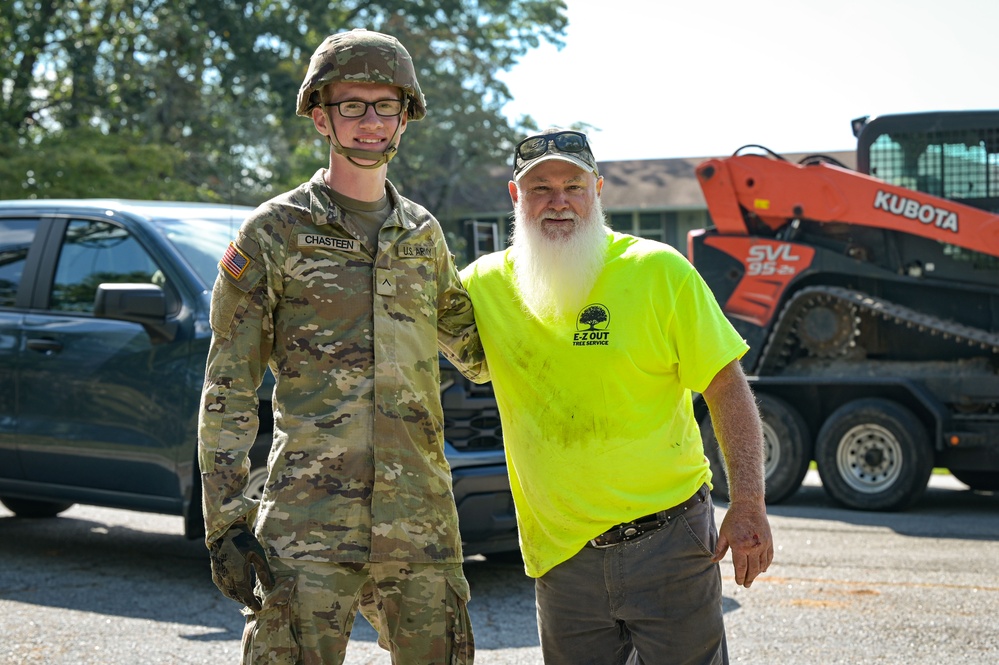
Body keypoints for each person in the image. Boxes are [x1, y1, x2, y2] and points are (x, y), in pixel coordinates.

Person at [198, 28, 485, 665]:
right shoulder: (274, 232)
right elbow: (228, 388)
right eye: (351, 106)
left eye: (386, 106)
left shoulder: (423, 236)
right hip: (308, 523)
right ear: (321, 115)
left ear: (405, 118)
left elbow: (482, 353)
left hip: (420, 522)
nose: (369, 123)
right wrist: (226, 522)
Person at [458, 128, 774, 664]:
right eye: (540, 188)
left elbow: (726, 384)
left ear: (597, 190)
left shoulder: (659, 271)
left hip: (671, 541)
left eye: (572, 186)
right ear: (516, 196)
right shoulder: (484, 285)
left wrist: (748, 503)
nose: (558, 202)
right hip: (561, 558)